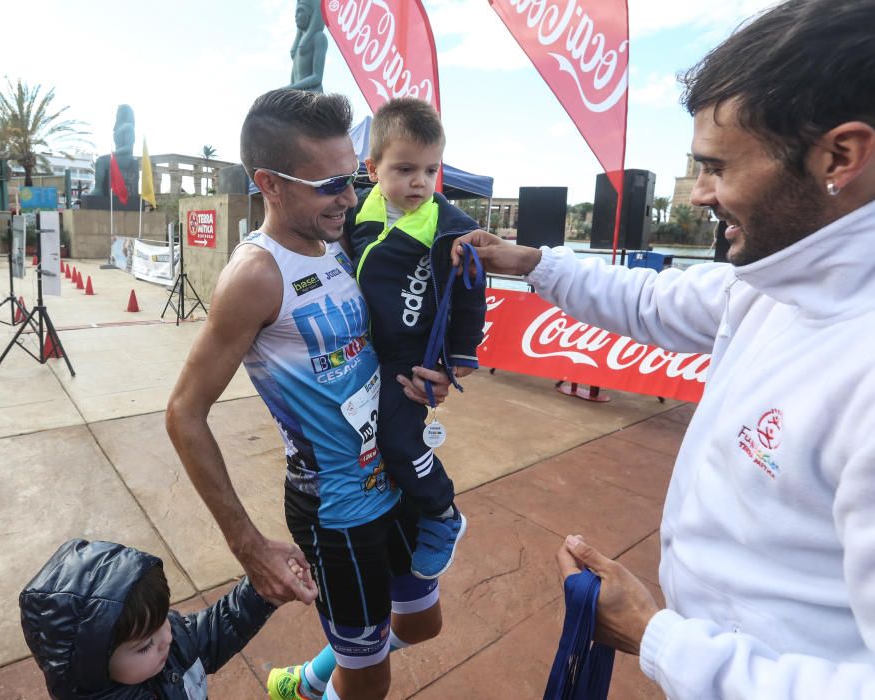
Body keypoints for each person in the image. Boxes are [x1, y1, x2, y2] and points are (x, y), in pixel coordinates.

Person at [454, 1, 875, 696]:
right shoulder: (775, 282)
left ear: (840, 155)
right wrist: (529, 261)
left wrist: (659, 638)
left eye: (716, 166)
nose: (702, 194)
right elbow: (650, 301)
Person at [165, 88, 453, 700]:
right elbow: (183, 414)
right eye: (330, 185)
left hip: (392, 477)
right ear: (269, 183)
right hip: (337, 510)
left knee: (423, 624)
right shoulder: (255, 276)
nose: (351, 196)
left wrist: (426, 375)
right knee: (370, 682)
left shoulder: (343, 243)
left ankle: (306, 681)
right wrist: (246, 544)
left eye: (351, 177)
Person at [345, 97, 484, 580]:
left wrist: (460, 354)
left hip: (410, 359)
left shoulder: (447, 226)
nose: (420, 182)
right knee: (361, 443)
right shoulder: (358, 213)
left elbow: (471, 287)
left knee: (397, 440)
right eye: (405, 169)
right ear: (372, 168)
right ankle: (400, 507)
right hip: (362, 353)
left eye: (430, 169)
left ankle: (443, 513)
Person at [18, 538, 277, 699]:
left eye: (164, 618)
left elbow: (221, 625)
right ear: (93, 669)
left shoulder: (167, 643)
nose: (166, 638)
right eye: (144, 646)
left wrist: (262, 590)